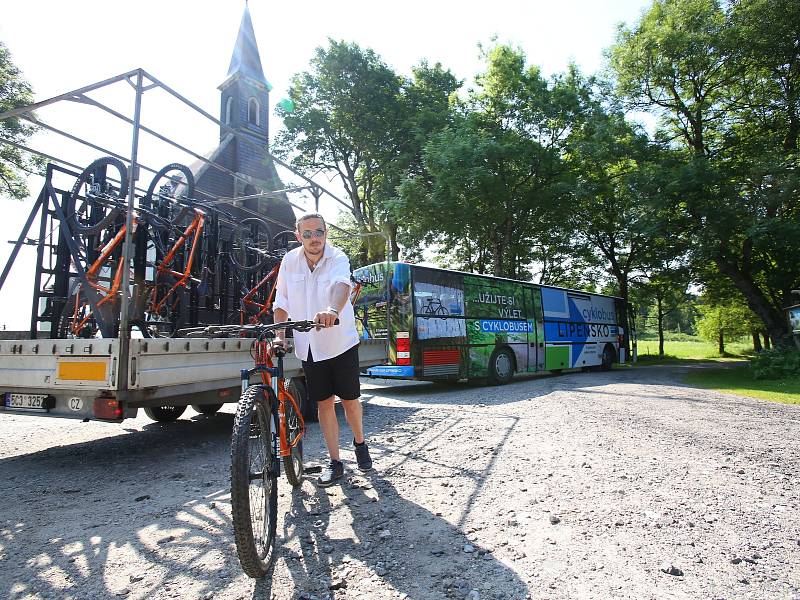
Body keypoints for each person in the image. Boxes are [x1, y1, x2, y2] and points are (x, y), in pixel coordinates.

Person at [272, 212, 372, 486]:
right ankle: (335, 461)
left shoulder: (337, 257)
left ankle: (360, 443)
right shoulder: (289, 262)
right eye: (308, 234)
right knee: (323, 404)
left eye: (319, 232)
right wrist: (280, 336)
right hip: (309, 346)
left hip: (340, 342)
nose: (314, 238)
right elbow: (281, 301)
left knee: (350, 401)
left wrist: (331, 310)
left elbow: (342, 285)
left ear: (326, 232)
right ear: (298, 236)